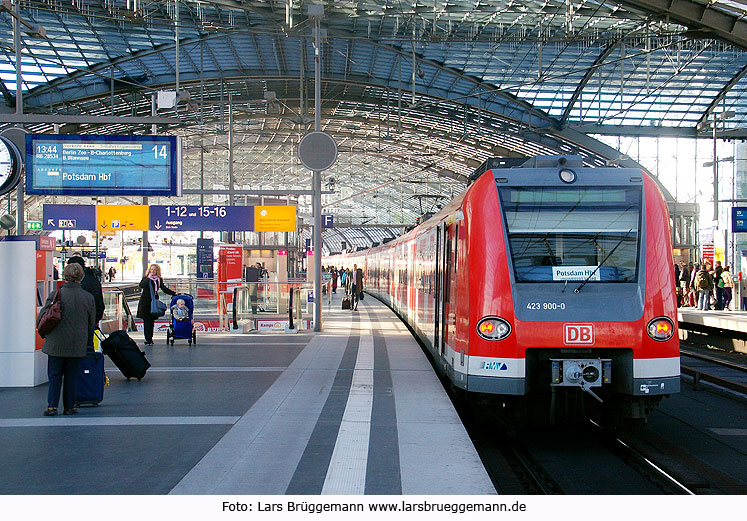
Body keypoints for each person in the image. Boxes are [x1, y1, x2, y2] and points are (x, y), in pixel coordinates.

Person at [38, 263, 95, 416]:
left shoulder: (57, 294)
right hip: (77, 343)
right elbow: (91, 323)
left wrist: (43, 333)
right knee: (72, 375)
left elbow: (44, 315)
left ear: (65, 276)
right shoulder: (88, 297)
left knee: (55, 375)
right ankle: (69, 406)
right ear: (81, 277)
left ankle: (52, 406)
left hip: (56, 342)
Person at [67, 255, 105, 347]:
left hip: (73, 325)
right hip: (89, 324)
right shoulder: (94, 280)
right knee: (88, 349)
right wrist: (94, 321)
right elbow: (100, 304)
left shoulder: (70, 287)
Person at [137, 264, 176, 345]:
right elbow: (141, 285)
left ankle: (150, 338)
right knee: (147, 321)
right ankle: (148, 339)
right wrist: (148, 278)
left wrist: (173, 293)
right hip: (145, 302)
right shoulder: (146, 278)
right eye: (151, 269)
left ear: (157, 271)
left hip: (153, 302)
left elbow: (164, 288)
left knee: (151, 321)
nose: (153, 271)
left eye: (155, 270)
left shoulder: (159, 279)